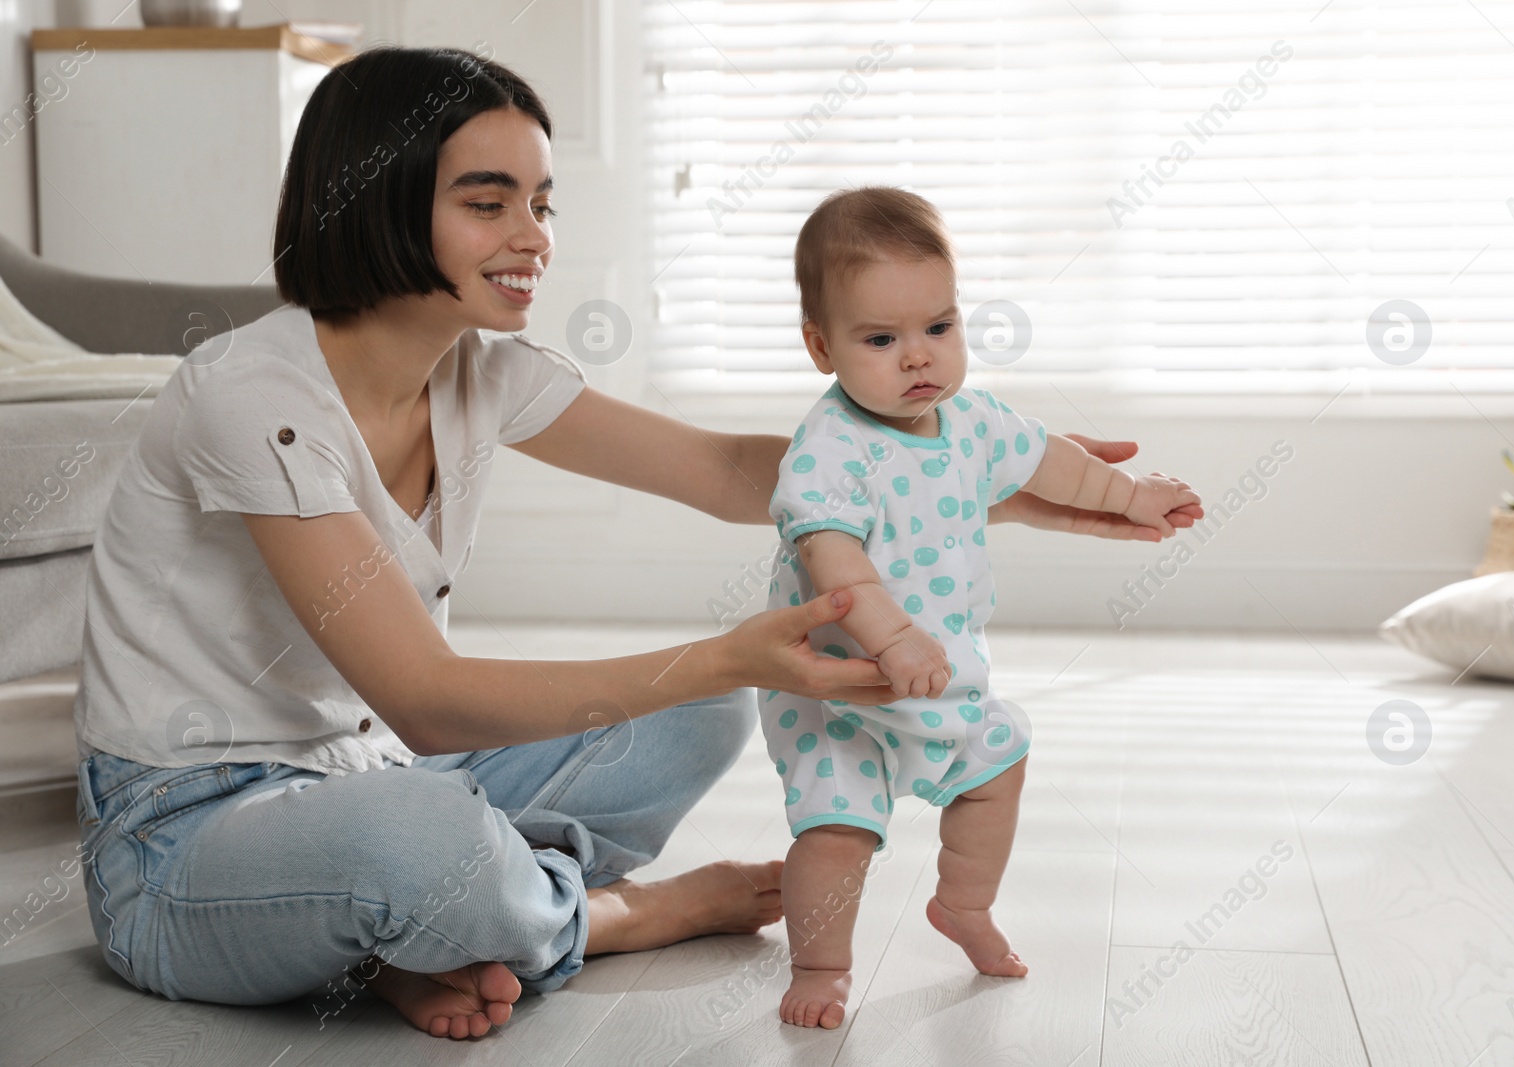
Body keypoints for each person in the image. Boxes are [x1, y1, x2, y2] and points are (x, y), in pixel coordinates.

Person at [70, 47, 1193, 1041]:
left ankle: (436, 930)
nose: (534, 238)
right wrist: (733, 657)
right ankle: (604, 916)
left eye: (543, 203)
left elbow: (723, 473)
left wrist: (978, 480)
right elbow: (426, 697)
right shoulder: (254, 399)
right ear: (376, 200)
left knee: (694, 711)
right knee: (424, 830)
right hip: (183, 837)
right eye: (489, 200)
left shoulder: (478, 369)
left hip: (377, 771)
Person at [761, 187, 1203, 1029]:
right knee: (838, 829)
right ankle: (820, 961)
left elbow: (1059, 467)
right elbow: (832, 556)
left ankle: (962, 903)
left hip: (943, 678)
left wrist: (1134, 495)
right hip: (837, 687)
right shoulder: (828, 449)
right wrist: (891, 636)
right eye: (881, 339)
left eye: (940, 326)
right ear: (821, 346)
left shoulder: (971, 421)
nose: (918, 357)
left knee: (999, 764)